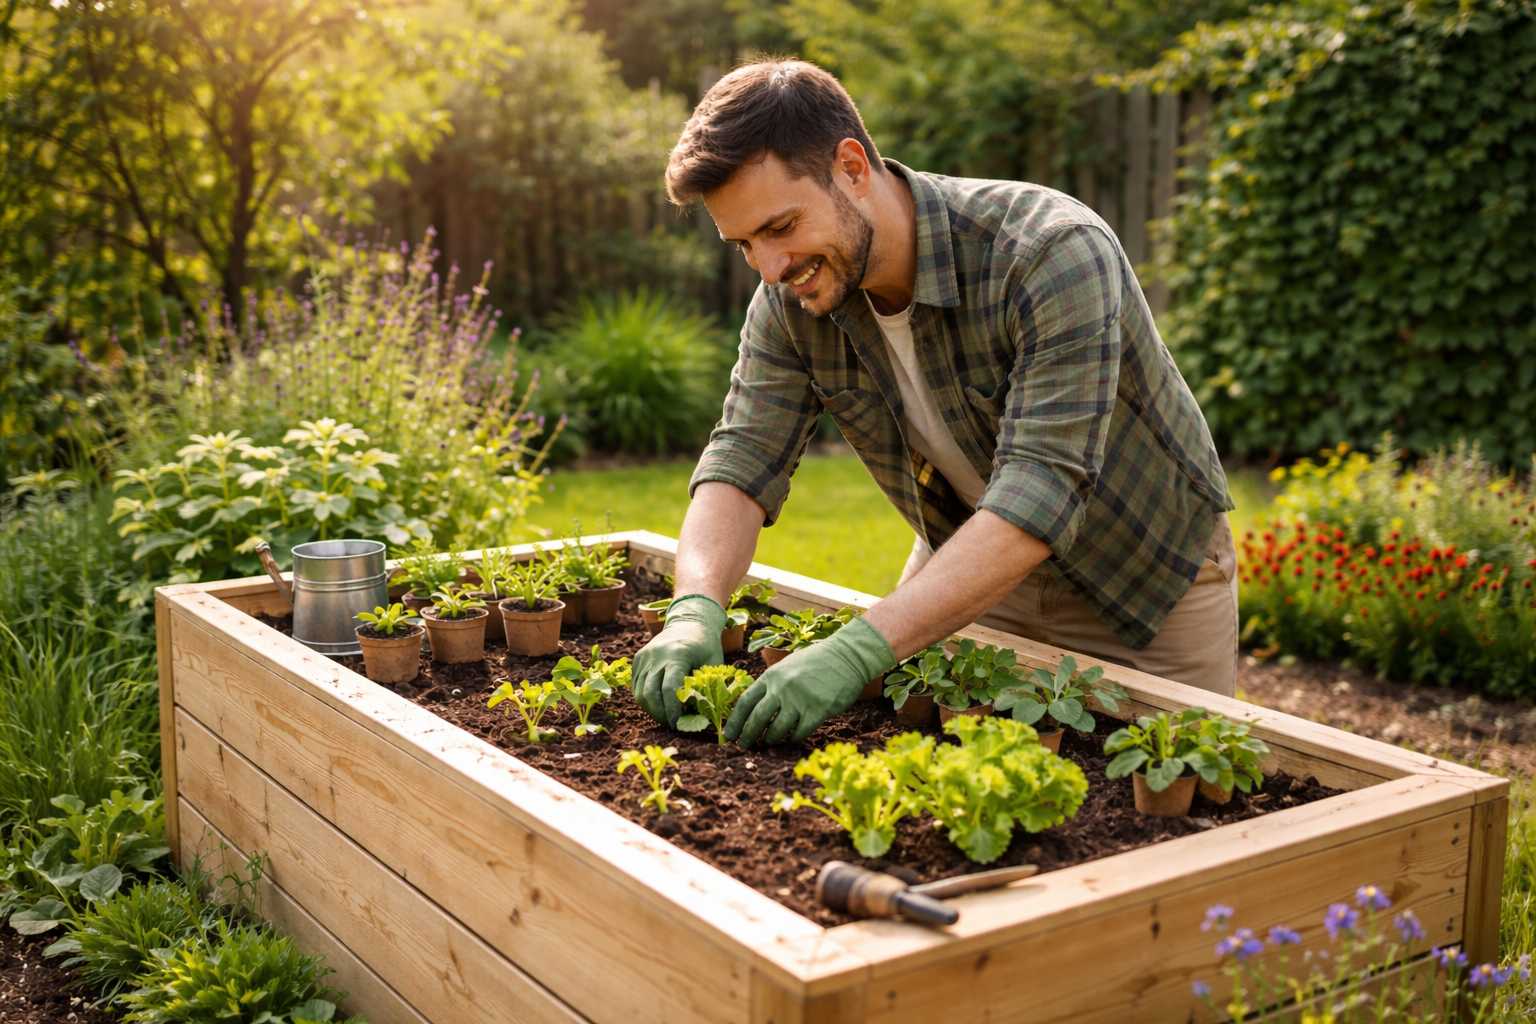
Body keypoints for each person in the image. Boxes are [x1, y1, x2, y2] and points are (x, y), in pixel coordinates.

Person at [632, 59, 1237, 748]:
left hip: (1142, 579)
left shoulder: (1049, 253)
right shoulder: (792, 297)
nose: (770, 268)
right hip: (969, 562)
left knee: (1173, 813)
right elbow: (743, 455)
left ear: (853, 168)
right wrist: (695, 604)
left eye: (780, 226)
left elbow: (1041, 488)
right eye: (744, 244)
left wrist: (858, 650)